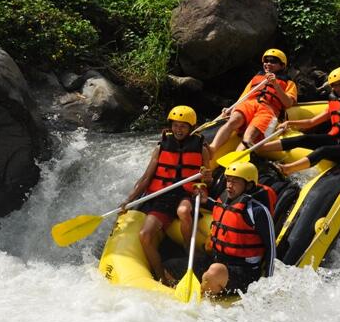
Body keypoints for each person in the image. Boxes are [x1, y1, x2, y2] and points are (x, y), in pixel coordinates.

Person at [120, 105, 212, 285]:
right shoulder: (161, 146)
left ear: (191, 128)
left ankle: (188, 252)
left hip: (186, 192)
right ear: (171, 126)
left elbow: (207, 177)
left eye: (183, 126)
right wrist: (129, 200)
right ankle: (161, 275)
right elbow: (146, 177)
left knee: (184, 212)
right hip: (163, 195)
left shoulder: (201, 148)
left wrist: (206, 179)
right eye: (176, 125)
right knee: (145, 235)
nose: (179, 130)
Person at [164, 162, 276, 295]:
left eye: (235, 182)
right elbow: (223, 209)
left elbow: (271, 248)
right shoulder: (224, 199)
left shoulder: (258, 211)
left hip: (244, 271)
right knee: (170, 267)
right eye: (228, 180)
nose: (229, 185)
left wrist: (269, 283)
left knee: (214, 272)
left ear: (249, 185)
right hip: (217, 260)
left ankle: (201, 303)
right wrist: (205, 200)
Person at [258, 66, 340, 175]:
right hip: (337, 140)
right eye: (335, 85)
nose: (338, 88)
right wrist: (289, 123)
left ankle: (286, 169)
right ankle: (259, 149)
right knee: (304, 138)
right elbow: (311, 122)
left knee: (323, 150)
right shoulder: (334, 102)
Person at [208, 49, 298, 155]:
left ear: (282, 66)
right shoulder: (256, 78)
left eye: (273, 61)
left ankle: (235, 160)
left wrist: (275, 85)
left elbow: (288, 103)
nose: (268, 63)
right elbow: (243, 98)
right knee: (232, 122)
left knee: (248, 137)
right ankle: (212, 148)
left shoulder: (289, 83)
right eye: (266, 61)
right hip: (250, 104)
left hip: (268, 110)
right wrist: (229, 110)